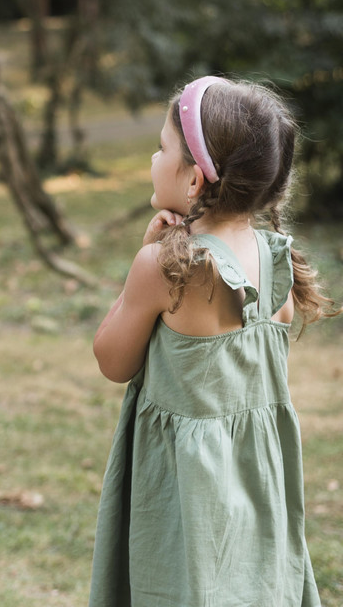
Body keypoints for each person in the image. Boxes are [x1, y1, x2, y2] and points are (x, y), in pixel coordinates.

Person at [88, 75, 339, 606]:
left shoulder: (163, 267)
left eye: (162, 148)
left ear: (194, 180)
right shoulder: (276, 261)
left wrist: (145, 256)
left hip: (185, 489)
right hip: (258, 479)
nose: (153, 158)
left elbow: (112, 359)